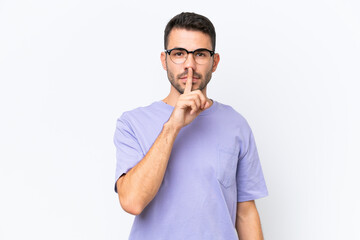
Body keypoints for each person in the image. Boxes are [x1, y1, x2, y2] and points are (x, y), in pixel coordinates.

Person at [113, 12, 269, 240]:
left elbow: (245, 213)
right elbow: (132, 202)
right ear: (164, 60)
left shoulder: (236, 125)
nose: (189, 64)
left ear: (214, 62)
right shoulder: (132, 123)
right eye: (178, 54)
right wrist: (173, 125)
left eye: (200, 54)